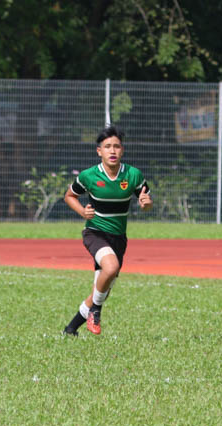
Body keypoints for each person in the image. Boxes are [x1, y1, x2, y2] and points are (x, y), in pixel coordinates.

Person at [62, 125, 152, 336]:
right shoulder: (89, 176)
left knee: (102, 290)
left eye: (117, 147)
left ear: (123, 150)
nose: (112, 151)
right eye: (107, 147)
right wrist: (83, 212)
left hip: (118, 238)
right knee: (110, 268)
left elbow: (146, 203)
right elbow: (69, 196)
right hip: (95, 233)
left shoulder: (133, 175)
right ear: (99, 151)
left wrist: (146, 203)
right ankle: (96, 311)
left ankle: (71, 329)